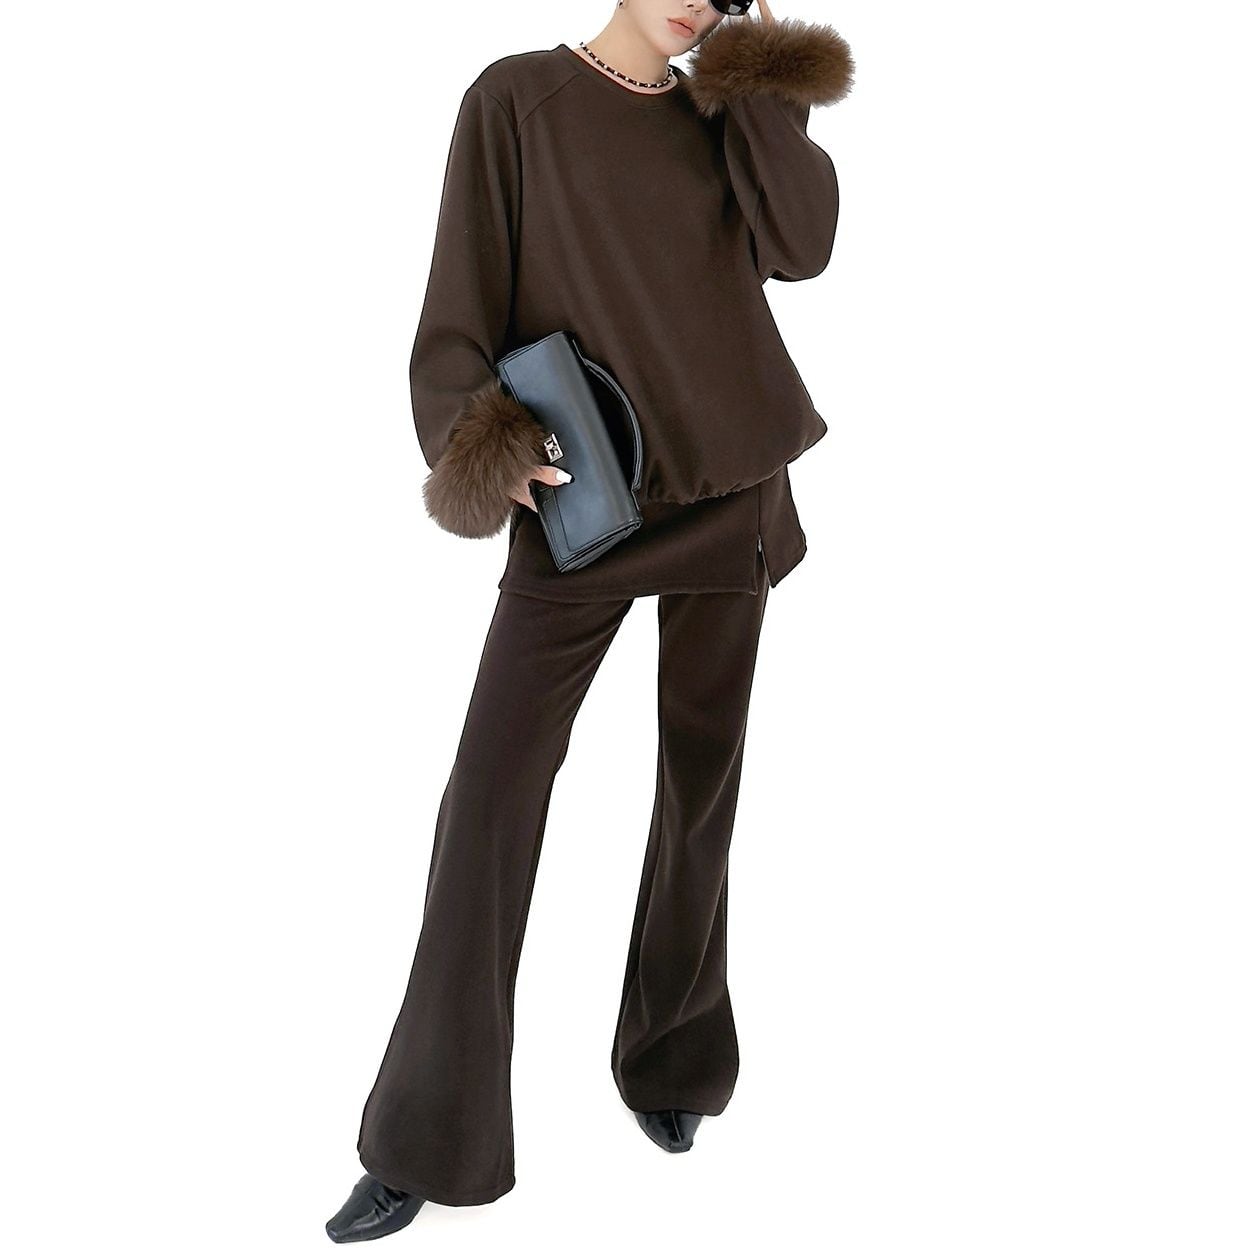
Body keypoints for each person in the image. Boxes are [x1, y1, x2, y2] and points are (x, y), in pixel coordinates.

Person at [326, 0, 854, 1240]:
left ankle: (673, 1059)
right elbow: (457, 303)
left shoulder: (727, 101)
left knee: (700, 787)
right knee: (490, 802)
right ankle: (426, 1137)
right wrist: (481, 440)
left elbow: (804, 246)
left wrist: (754, 77)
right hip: (587, 499)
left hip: (732, 484)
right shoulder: (515, 98)